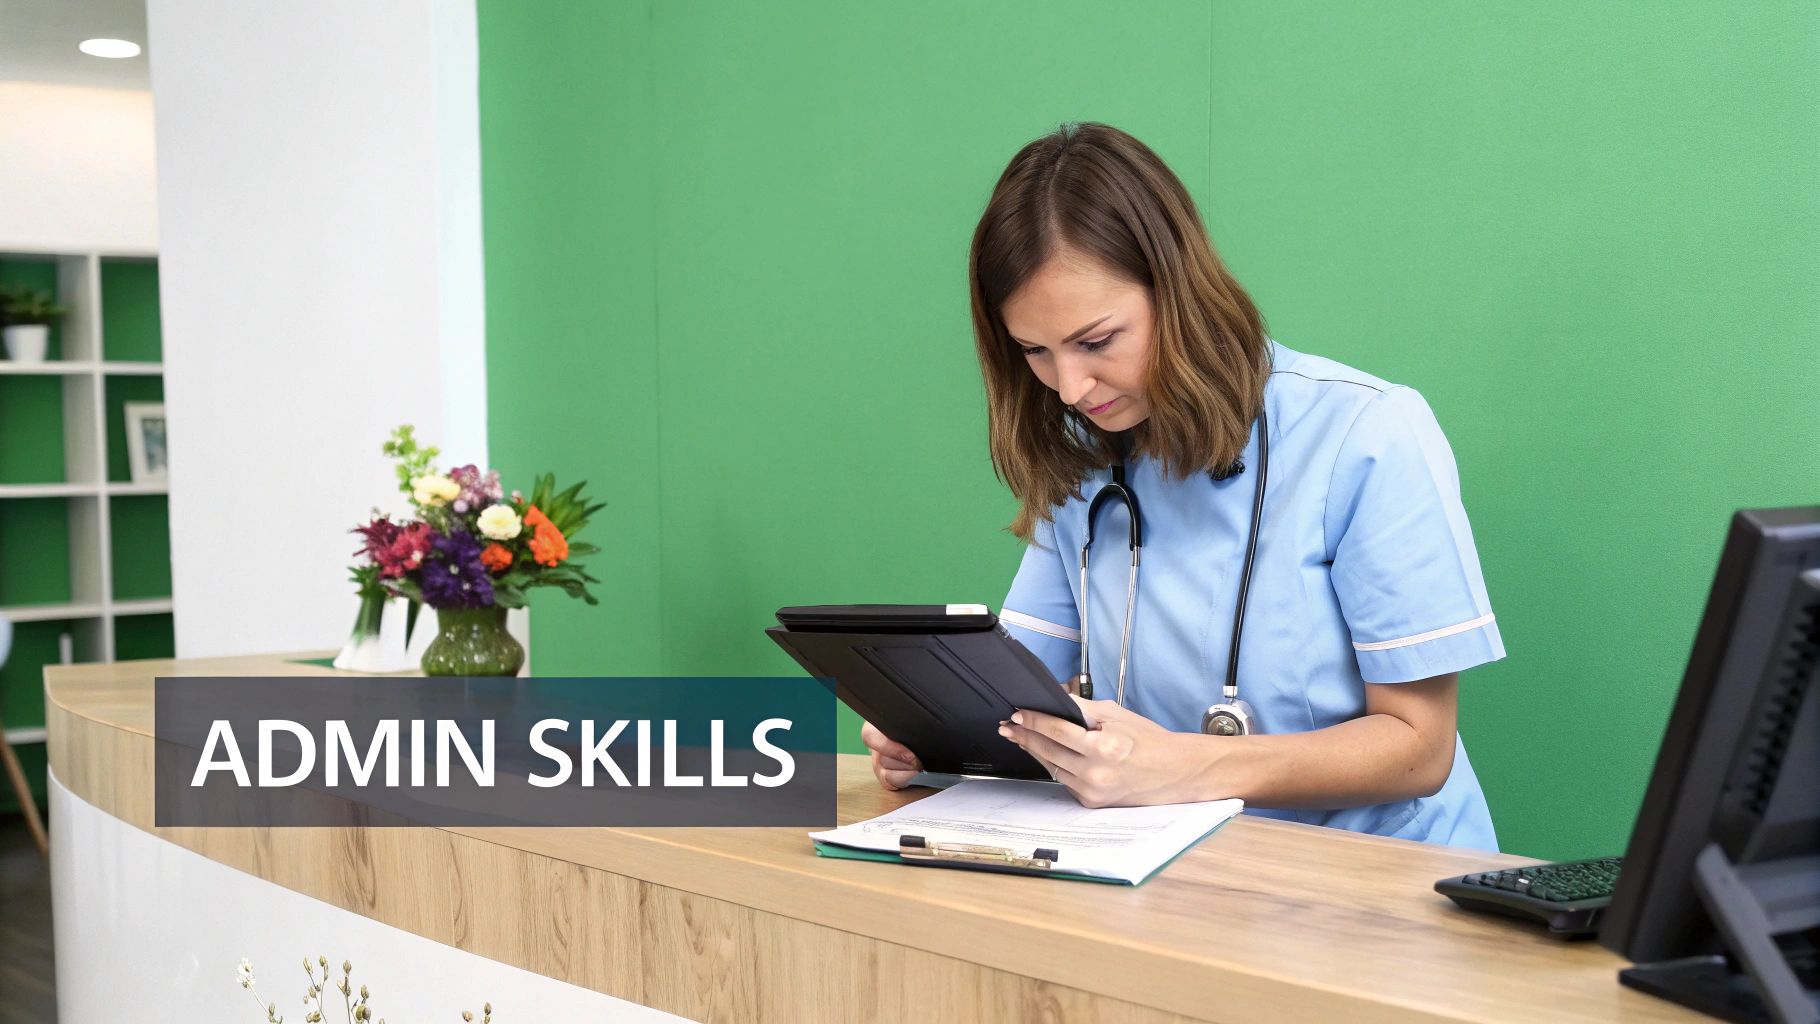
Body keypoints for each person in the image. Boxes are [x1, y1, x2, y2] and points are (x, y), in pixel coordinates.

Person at [861, 122, 1505, 851]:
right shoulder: (1086, 466)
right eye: (1035, 352)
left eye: (1097, 341)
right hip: (1186, 876)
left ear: (1179, 288)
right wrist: (937, 735)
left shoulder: (1365, 432)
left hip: (1379, 885)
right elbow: (1015, 695)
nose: (1070, 387)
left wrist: (1183, 766)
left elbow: (1420, 747)